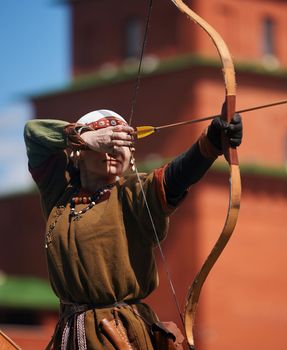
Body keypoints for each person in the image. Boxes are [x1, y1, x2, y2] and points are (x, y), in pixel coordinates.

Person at [24, 108, 243, 350]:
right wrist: (83, 135)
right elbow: (33, 133)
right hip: (70, 336)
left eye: (122, 142)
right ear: (80, 152)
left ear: (131, 156)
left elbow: (175, 178)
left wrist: (211, 142)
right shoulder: (59, 190)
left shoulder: (132, 194)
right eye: (107, 140)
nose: (114, 149)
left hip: (120, 335)